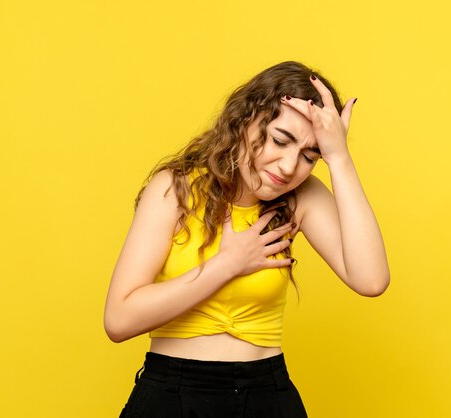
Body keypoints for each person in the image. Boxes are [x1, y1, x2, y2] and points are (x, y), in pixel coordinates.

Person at [103, 60, 390, 417]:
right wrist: (227, 264)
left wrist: (339, 157)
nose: (288, 167)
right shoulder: (175, 188)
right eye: (279, 140)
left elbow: (371, 279)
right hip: (172, 397)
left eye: (309, 156)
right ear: (245, 119)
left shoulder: (300, 197)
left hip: (265, 396)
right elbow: (118, 320)